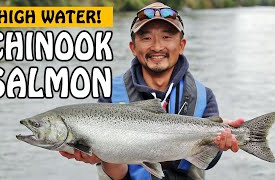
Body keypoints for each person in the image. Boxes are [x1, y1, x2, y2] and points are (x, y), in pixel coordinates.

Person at [59, 2, 244, 180]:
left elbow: (206, 162)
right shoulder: (111, 93)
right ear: (133, 47)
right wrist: (102, 156)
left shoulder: (204, 96)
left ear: (181, 45)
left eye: (167, 37)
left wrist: (221, 140)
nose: (156, 47)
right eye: (146, 38)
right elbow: (117, 176)